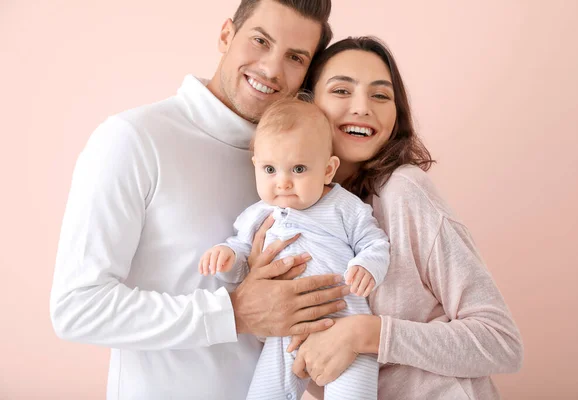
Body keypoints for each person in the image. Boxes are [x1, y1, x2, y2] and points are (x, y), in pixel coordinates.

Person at [48, 1, 351, 399]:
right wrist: (233, 312)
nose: (272, 69)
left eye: (294, 57)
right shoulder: (133, 139)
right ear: (227, 34)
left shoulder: (299, 173)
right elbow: (77, 308)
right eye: (260, 40)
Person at [283, 36, 524, 399]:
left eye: (380, 95)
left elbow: (501, 341)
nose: (363, 108)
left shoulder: (403, 191)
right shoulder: (300, 211)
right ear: (308, 102)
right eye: (342, 90)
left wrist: (368, 333)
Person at [200, 97, 389, 400]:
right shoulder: (258, 214)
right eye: (270, 169)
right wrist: (228, 258)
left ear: (328, 170)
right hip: (285, 327)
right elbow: (243, 260)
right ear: (256, 167)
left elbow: (375, 243)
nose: (283, 182)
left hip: (345, 324)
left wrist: (368, 265)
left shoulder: (343, 207)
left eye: (298, 168)